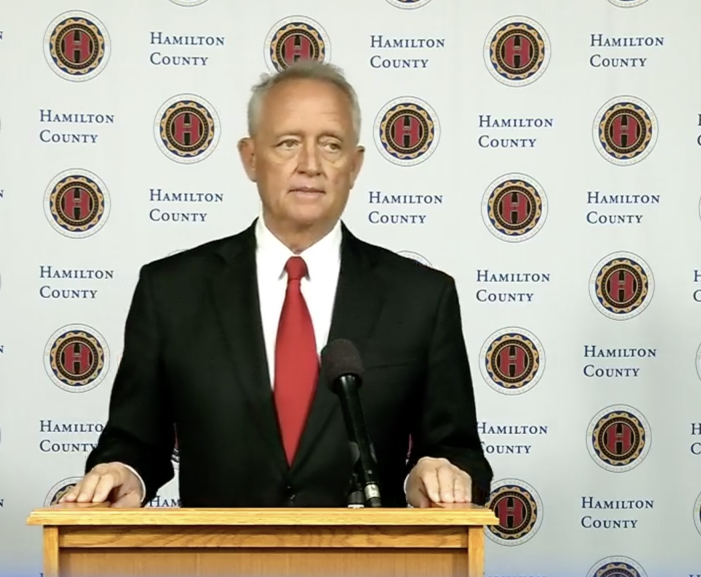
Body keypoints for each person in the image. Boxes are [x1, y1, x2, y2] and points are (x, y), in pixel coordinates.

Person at [61, 59, 491, 508]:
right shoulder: (170, 292)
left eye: (331, 145)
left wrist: (434, 474)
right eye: (288, 143)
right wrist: (123, 472)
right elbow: (132, 442)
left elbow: (459, 452)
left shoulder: (422, 297)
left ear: (356, 165)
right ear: (250, 157)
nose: (310, 165)